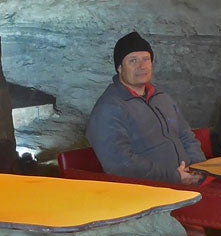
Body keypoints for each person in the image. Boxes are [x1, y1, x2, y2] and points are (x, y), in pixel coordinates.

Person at [87, 30, 206, 185]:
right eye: (133, 61)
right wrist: (173, 177)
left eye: (146, 59)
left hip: (188, 181)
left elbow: (186, 136)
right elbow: (120, 163)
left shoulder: (162, 98)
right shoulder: (109, 108)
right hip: (149, 192)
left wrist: (198, 169)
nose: (142, 66)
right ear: (119, 68)